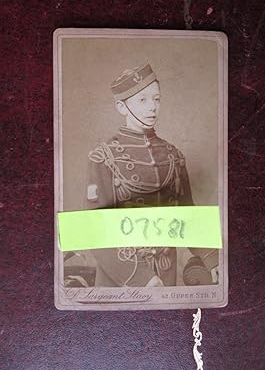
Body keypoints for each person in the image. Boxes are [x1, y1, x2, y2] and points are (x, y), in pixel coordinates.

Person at [65, 64, 218, 287]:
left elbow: (188, 216)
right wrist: (141, 278)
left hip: (166, 273)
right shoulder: (103, 157)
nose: (152, 108)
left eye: (156, 99)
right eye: (142, 100)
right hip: (121, 279)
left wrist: (212, 260)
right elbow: (94, 230)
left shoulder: (174, 156)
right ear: (122, 107)